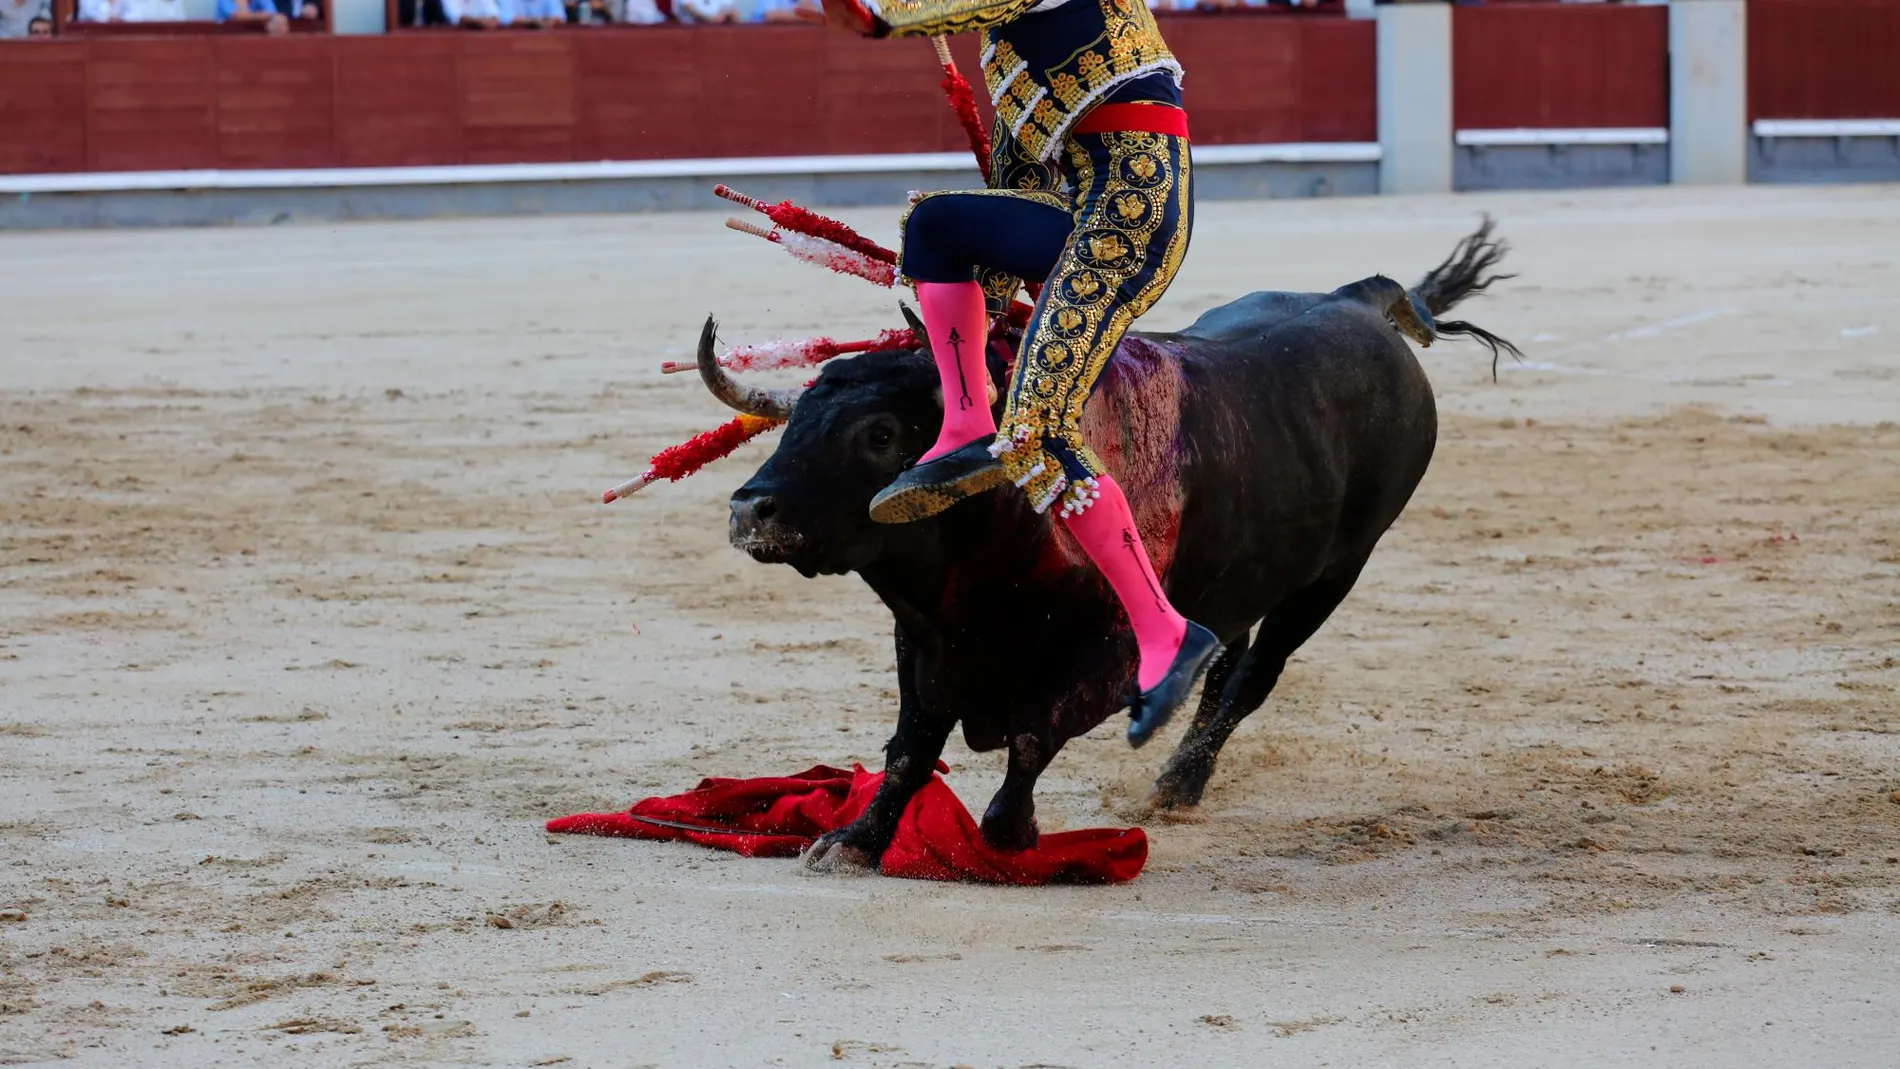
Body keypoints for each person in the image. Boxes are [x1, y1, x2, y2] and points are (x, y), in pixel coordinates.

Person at [812, 0, 1220, 743]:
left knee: (1038, 431)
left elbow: (957, 3)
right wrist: (973, 328)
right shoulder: (1004, 58)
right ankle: (965, 423)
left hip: (1130, 216)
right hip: (1078, 212)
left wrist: (877, 18)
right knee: (936, 226)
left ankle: (1167, 632)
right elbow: (1014, 190)